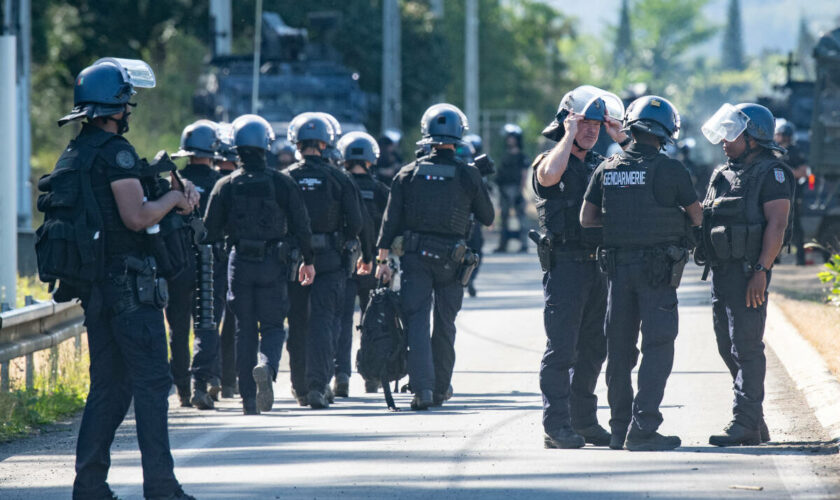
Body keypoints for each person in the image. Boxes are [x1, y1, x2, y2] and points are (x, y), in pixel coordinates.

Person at [45, 58, 197, 499]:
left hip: (95, 287)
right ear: (112, 106)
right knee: (152, 384)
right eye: (126, 102)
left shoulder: (74, 154)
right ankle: (162, 489)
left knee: (108, 387)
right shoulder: (117, 153)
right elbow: (136, 217)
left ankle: (89, 487)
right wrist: (173, 197)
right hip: (130, 288)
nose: (130, 109)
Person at [580, 95, 702, 451]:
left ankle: (619, 429)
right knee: (658, 347)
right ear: (666, 133)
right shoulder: (672, 170)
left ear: (631, 125)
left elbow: (587, 219)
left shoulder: (608, 167)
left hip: (617, 271)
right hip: (657, 272)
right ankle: (643, 427)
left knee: (618, 350)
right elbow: (697, 217)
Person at [375, 103, 494, 410]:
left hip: (416, 258)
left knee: (416, 320)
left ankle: (423, 390)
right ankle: (441, 389)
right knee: (445, 323)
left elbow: (390, 223)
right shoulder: (468, 174)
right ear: (459, 137)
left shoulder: (407, 173)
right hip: (453, 261)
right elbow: (488, 217)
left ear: (426, 136)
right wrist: (479, 183)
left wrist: (382, 263)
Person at [533, 86, 630, 449]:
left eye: (596, 125)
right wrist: (568, 133)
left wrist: (621, 137)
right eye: (584, 123)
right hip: (565, 268)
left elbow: (639, 167)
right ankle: (555, 425)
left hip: (598, 268)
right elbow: (548, 178)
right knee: (562, 348)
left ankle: (583, 421)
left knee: (594, 348)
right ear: (567, 122)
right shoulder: (549, 159)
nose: (591, 130)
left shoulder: (600, 164)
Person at [203, 114, 316, 415]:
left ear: (236, 149)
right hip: (273, 262)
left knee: (244, 330)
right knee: (274, 326)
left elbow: (209, 232)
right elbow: (302, 225)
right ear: (266, 147)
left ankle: (248, 401)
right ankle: (266, 366)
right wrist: (308, 259)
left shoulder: (224, 185)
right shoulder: (282, 182)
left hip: (239, 263)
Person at [699, 103, 794, 445]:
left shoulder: (773, 173)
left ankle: (744, 423)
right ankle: (755, 421)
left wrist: (760, 270)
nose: (724, 140)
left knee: (746, 347)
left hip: (749, 273)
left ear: (754, 137)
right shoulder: (723, 174)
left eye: (732, 132)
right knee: (727, 346)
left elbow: (778, 224)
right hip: (722, 275)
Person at [286, 112, 363, 409]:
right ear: (326, 142)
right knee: (323, 322)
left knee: (297, 322)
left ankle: (301, 388)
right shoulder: (339, 178)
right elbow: (356, 223)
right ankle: (319, 386)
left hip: (294, 261)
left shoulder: (287, 177)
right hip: (330, 260)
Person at [167, 119, 224, 410]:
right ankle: (203, 381)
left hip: (176, 264)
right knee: (207, 324)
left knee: (178, 329)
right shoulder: (220, 183)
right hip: (210, 265)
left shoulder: (173, 182)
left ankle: (181, 388)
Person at [334, 131, 390, 396]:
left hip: (343, 261)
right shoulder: (380, 190)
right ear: (371, 159)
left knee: (342, 320)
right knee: (373, 321)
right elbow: (390, 227)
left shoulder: (338, 184)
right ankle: (372, 376)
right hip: (374, 263)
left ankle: (341, 375)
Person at [213, 123, 239, 398]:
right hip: (236, 261)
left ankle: (208, 378)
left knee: (206, 322)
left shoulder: (219, 185)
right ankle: (230, 382)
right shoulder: (239, 182)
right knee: (233, 323)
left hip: (206, 263)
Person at [774, 119, 808, 265]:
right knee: (774, 226)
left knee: (795, 228)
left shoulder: (794, 151)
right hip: (774, 195)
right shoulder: (772, 151)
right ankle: (775, 258)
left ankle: (800, 259)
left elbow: (803, 172)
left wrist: (787, 171)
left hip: (792, 195)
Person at [494, 123, 529, 253]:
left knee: (521, 218)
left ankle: (524, 245)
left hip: (516, 189)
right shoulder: (504, 155)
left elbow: (524, 174)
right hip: (504, 189)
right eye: (508, 137)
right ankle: (502, 245)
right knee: (504, 218)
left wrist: (521, 190)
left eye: (512, 137)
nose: (509, 139)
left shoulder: (522, 156)